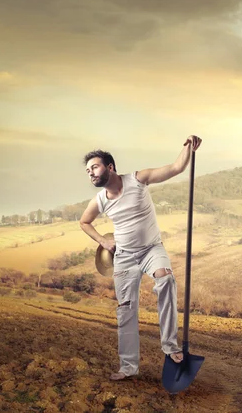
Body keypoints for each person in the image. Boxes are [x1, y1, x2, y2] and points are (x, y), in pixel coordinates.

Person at [79, 135, 202, 381]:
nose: (90, 173)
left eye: (94, 167)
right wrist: (103, 241)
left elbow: (175, 168)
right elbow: (84, 222)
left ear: (110, 167)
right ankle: (128, 367)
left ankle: (170, 347)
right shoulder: (100, 200)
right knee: (126, 311)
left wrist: (188, 147)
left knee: (166, 280)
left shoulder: (138, 179)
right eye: (87, 170)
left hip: (152, 249)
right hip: (123, 257)